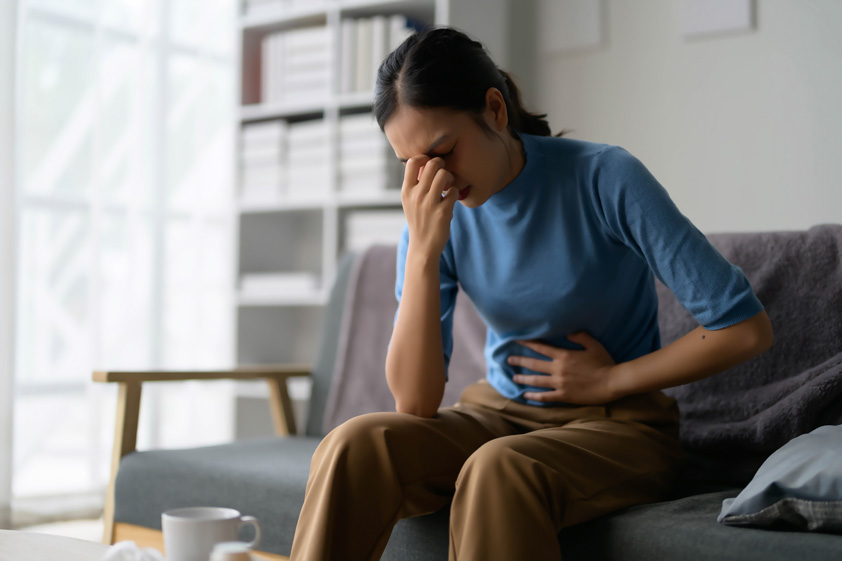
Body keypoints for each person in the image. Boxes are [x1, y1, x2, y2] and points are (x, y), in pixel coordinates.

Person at [290, 27, 774, 561]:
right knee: (351, 446)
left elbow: (744, 327)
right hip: (498, 412)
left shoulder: (605, 177)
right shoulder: (432, 215)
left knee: (499, 467)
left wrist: (610, 379)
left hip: (619, 426)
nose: (435, 179)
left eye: (444, 150)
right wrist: (425, 252)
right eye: (413, 165)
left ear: (495, 109)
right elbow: (415, 401)